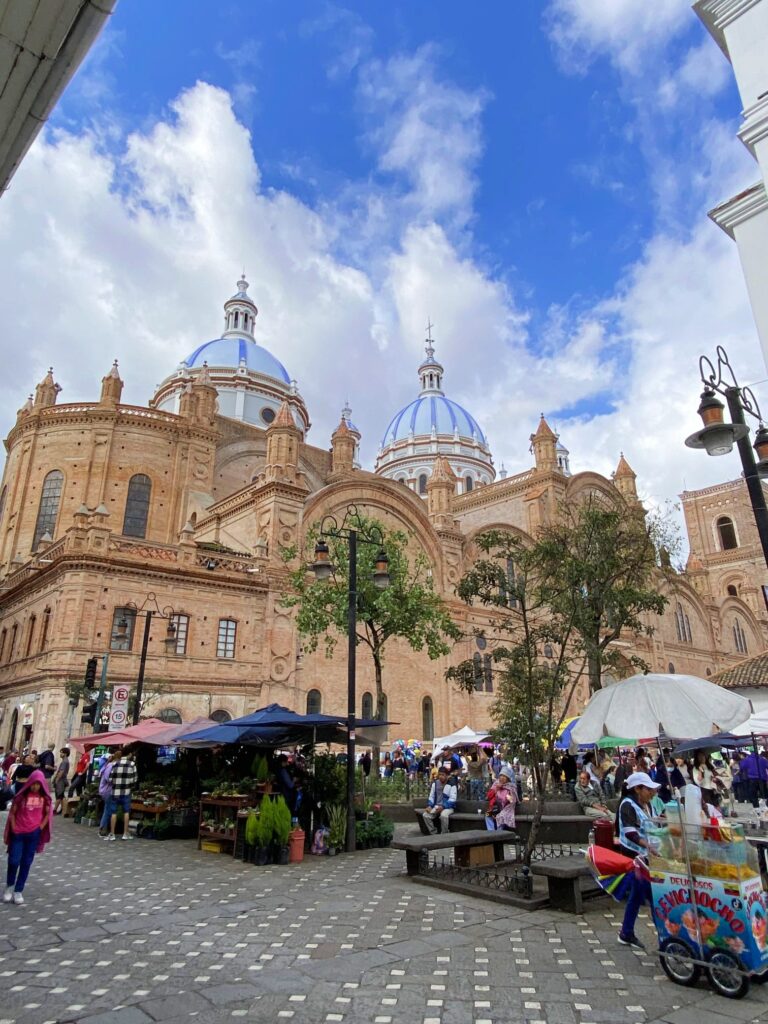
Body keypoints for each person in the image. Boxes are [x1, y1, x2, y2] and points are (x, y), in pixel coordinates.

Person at [615, 771, 660, 949]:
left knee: (638, 895)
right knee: (654, 897)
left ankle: (626, 932)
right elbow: (629, 832)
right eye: (648, 789)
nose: (652, 793)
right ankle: (665, 934)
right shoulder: (627, 805)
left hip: (648, 858)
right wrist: (647, 845)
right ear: (637, 789)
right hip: (635, 859)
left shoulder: (647, 806)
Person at [3, 769, 52, 905]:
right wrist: (13, 826)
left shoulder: (44, 798)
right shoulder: (21, 796)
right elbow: (13, 811)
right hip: (18, 833)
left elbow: (48, 813)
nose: (35, 787)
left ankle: (18, 890)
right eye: (33, 783)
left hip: (33, 834)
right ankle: (10, 886)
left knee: (26, 862)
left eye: (38, 784)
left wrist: (40, 827)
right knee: (14, 860)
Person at [104, 747, 137, 841]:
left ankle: (112, 834)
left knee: (113, 812)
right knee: (126, 812)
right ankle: (125, 833)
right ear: (129, 754)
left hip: (115, 791)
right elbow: (134, 779)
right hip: (126, 791)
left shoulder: (115, 764)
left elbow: (110, 779)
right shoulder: (132, 764)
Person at [421, 766, 457, 835]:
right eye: (439, 774)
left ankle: (444, 834)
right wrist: (429, 806)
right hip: (436, 806)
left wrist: (443, 807)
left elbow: (453, 799)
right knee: (425, 815)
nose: (441, 776)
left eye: (443, 775)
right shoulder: (435, 783)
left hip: (448, 807)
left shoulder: (452, 784)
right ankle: (433, 833)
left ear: (447, 775)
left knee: (443, 816)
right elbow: (431, 796)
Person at [486, 766, 518, 832]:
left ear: (508, 778)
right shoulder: (495, 784)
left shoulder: (511, 787)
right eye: (501, 775)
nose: (502, 778)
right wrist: (496, 789)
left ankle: (498, 835)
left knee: (501, 818)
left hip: (505, 810)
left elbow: (512, 801)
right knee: (487, 815)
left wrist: (509, 798)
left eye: (504, 776)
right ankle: (491, 833)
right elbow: (488, 796)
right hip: (494, 809)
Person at [52, 747, 71, 815]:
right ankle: (64, 810)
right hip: (62, 780)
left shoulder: (65, 762)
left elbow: (61, 771)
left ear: (65, 754)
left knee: (59, 795)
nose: (60, 753)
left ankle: (54, 810)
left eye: (62, 752)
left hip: (61, 780)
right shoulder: (65, 761)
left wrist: (57, 779)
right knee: (62, 796)